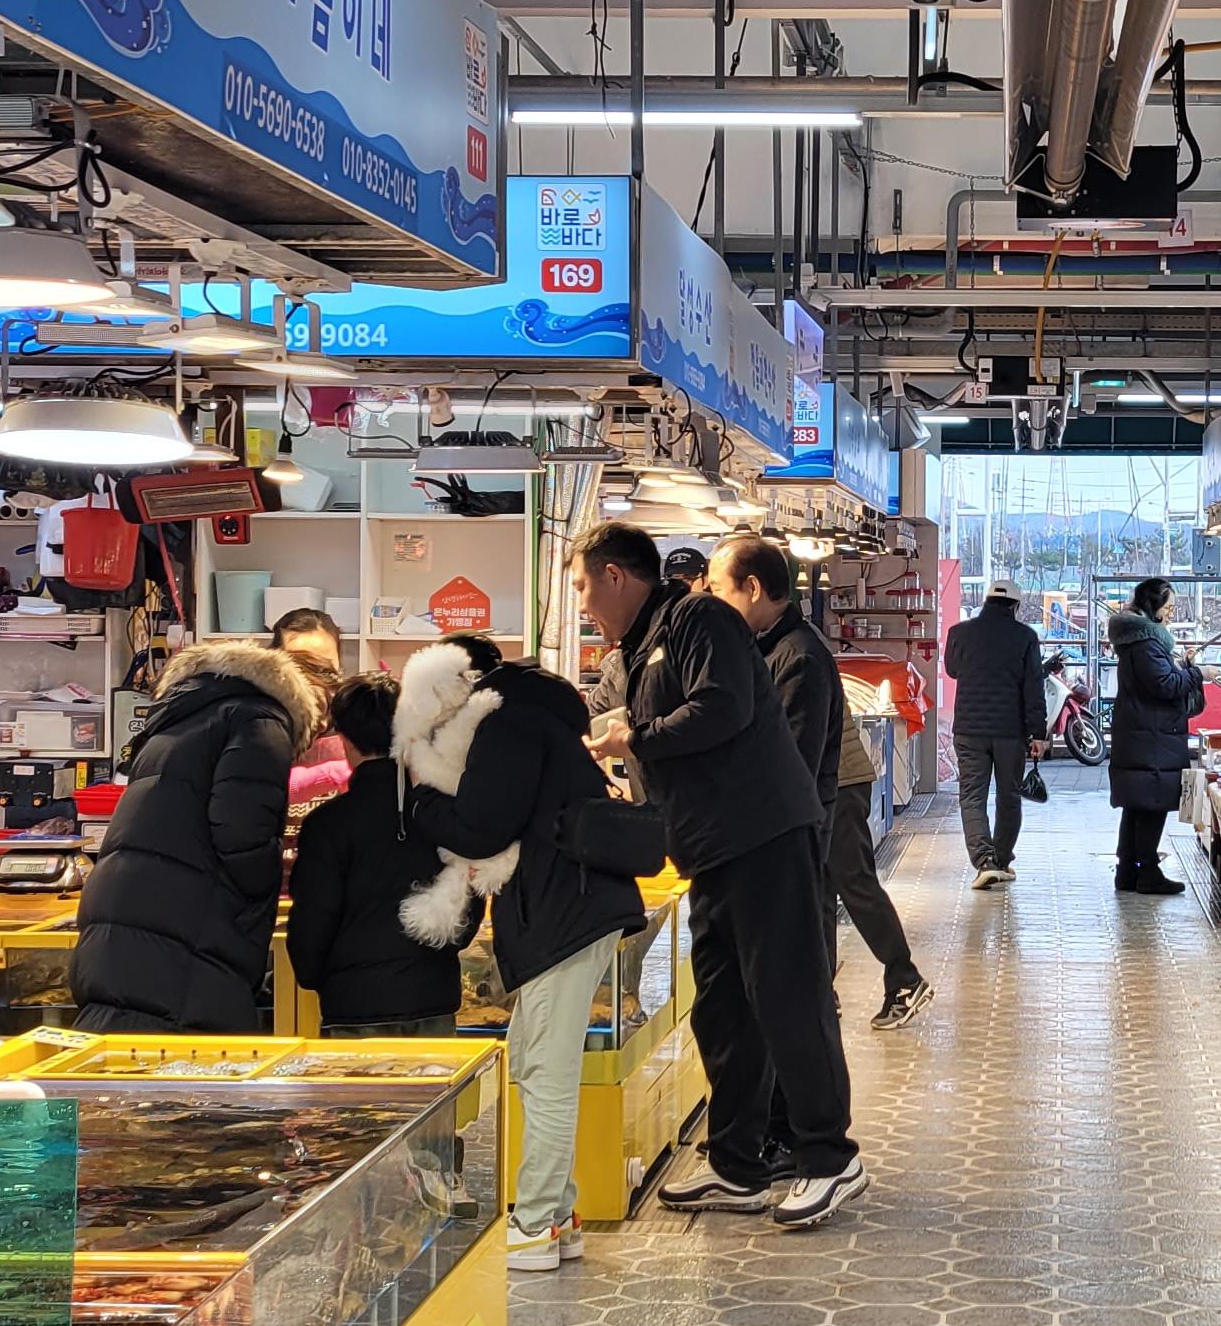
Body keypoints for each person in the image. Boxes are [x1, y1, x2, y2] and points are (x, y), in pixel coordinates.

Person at [577, 523, 865, 1227]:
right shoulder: (642, 647)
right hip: (710, 850)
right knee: (724, 1008)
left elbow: (723, 708)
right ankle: (737, 1164)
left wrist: (635, 737)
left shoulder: (697, 618)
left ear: (616, 576)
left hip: (764, 837)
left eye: (583, 586)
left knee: (788, 996)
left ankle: (830, 1157)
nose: (582, 603)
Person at [394, 633, 654, 1273]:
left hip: (564, 911)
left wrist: (420, 800)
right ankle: (558, 1216)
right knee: (538, 1062)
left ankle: (536, 1222)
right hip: (571, 906)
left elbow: (483, 827)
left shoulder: (505, 724)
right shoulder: (533, 715)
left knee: (546, 1071)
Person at [715, 532, 932, 1035]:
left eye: (719, 590)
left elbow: (798, 751)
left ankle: (904, 978)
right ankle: (821, 991)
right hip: (823, 786)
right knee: (820, 892)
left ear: (752, 588)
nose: (714, 602)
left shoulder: (798, 652)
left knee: (851, 882)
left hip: (838, 783)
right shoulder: (773, 642)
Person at [70, 631, 326, 1030]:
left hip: (125, 925)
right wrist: (270, 888)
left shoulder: (184, 715)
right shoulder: (261, 719)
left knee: (125, 1049)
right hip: (184, 935)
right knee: (185, 1055)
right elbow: (242, 835)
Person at [283, 672, 464, 1040]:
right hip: (432, 997)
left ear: (344, 738)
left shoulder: (328, 824)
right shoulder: (438, 812)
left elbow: (313, 922)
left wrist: (317, 976)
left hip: (353, 1004)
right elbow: (466, 899)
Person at [1105, 574, 1206, 895]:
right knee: (1151, 806)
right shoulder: (1147, 644)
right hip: (1151, 738)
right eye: (1169, 607)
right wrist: (1198, 673)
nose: (1172, 614)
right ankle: (1147, 872)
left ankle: (1127, 871)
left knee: (1137, 807)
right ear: (1153, 606)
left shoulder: (1137, 641)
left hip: (1142, 735)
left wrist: (1184, 666)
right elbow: (1164, 685)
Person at [943, 579, 1046, 888]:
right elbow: (1034, 687)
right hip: (1010, 732)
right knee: (1008, 796)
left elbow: (952, 670)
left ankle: (984, 861)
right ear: (1015, 606)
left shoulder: (959, 633)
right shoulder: (1025, 637)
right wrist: (1038, 733)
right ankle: (1000, 860)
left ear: (986, 601)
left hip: (969, 729)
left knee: (971, 796)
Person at [271, 604, 353, 823]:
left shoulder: (351, 721)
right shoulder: (258, 719)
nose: (312, 680)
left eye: (323, 669)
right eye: (300, 666)